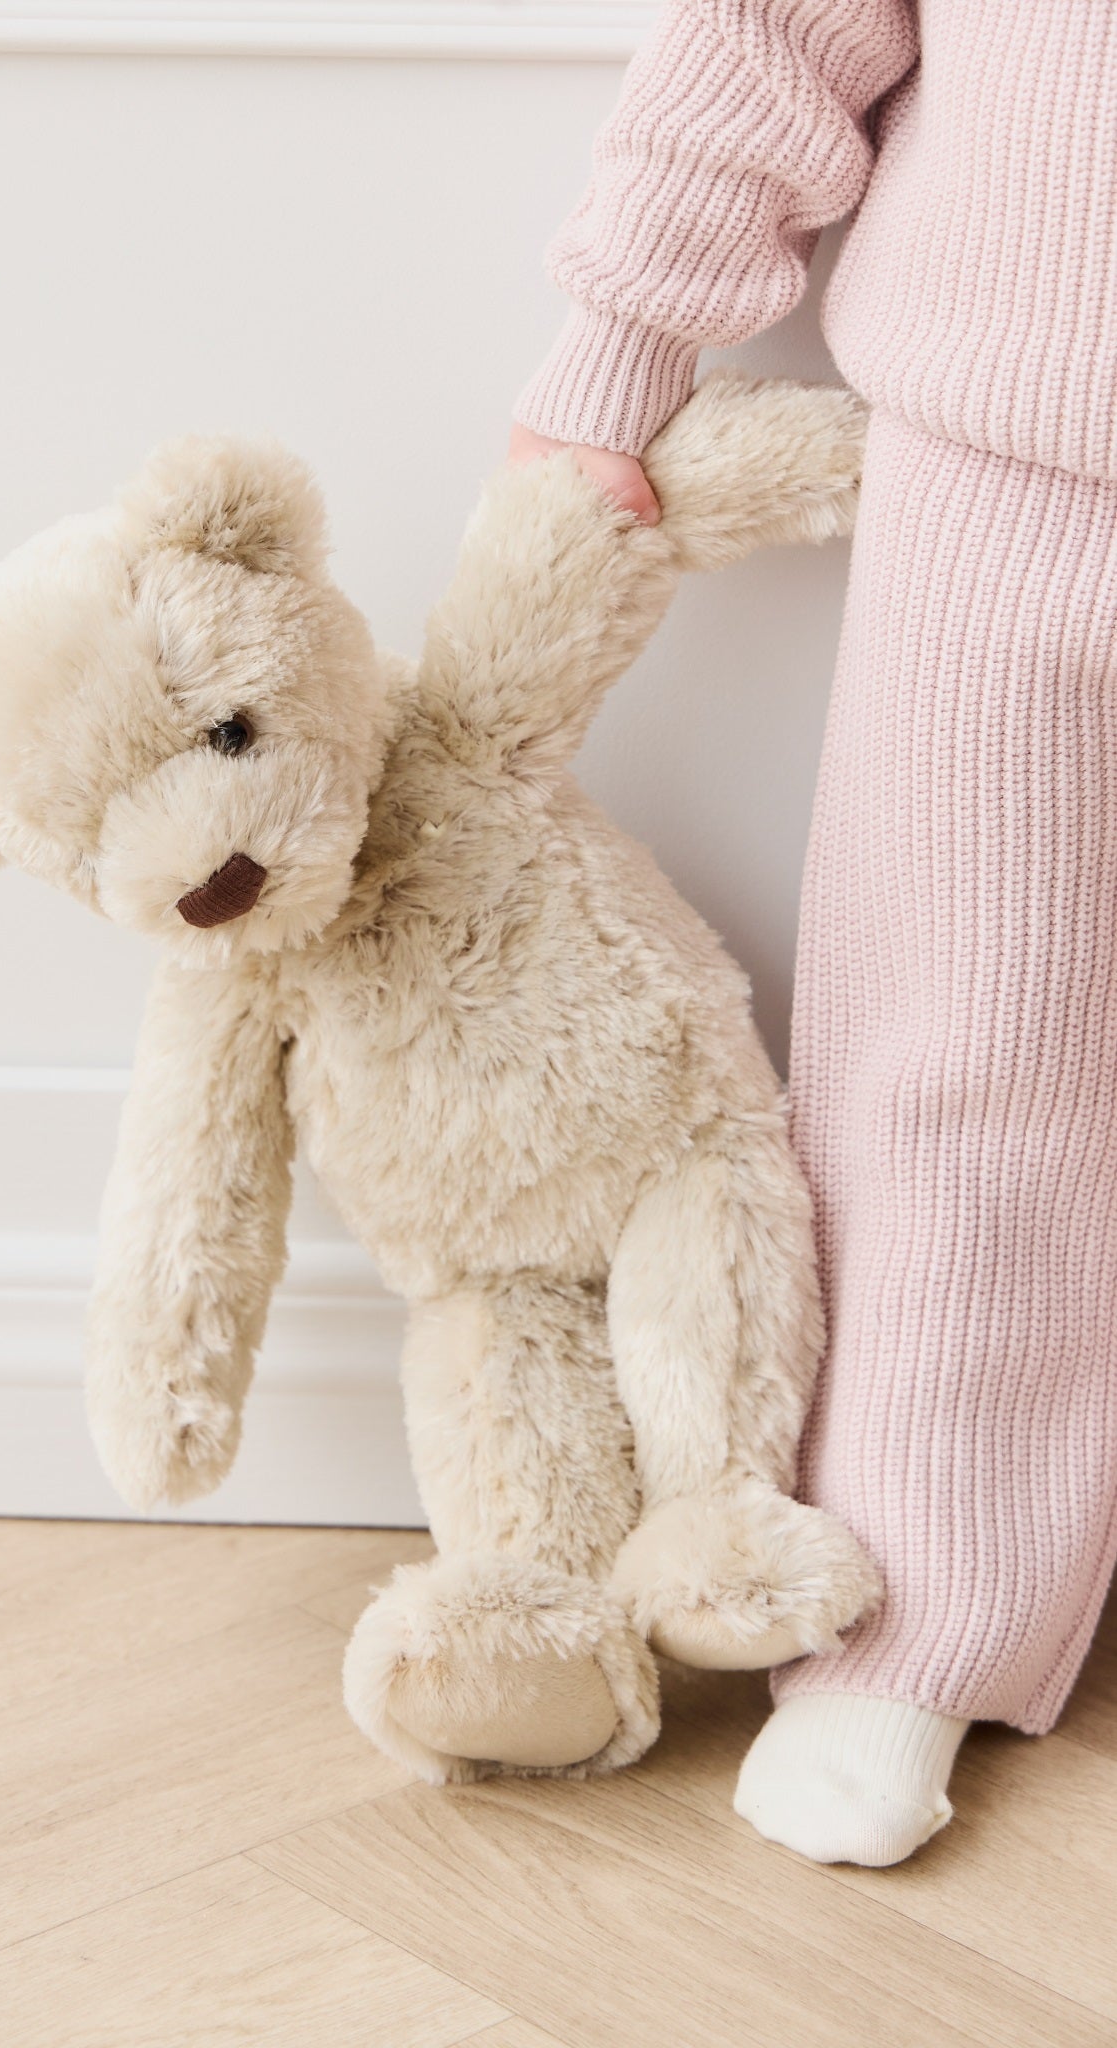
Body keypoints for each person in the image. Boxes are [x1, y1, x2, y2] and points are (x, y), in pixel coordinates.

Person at [511, 0, 1117, 1867]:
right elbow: (771, 23)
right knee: (955, 1059)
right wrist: (608, 362)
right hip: (1006, 444)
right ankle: (916, 1605)